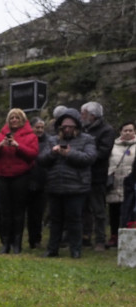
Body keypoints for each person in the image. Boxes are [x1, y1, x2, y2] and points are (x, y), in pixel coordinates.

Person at [39, 108, 96, 259]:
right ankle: (52, 249)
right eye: (64, 127)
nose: (67, 129)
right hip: (55, 186)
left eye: (70, 127)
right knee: (55, 220)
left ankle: (75, 250)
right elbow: (42, 160)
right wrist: (53, 152)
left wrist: (69, 153)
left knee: (74, 219)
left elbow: (89, 158)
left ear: (77, 127)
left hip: (76, 187)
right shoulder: (52, 140)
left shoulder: (87, 139)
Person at [0, 108, 39, 253]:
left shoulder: (30, 136)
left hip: (20, 177)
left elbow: (33, 154)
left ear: (22, 120)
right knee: (5, 212)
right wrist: (0, 145)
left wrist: (18, 146)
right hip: (3, 176)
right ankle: (6, 243)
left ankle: (17, 243)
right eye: (12, 118)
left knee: (18, 211)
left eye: (17, 118)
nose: (14, 120)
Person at [79, 101, 115, 251]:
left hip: (97, 176)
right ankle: (84, 237)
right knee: (82, 208)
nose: (81, 117)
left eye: (84, 114)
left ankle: (100, 239)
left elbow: (103, 152)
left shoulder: (106, 130)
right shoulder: (82, 130)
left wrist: (85, 157)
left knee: (98, 209)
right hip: (81, 175)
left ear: (92, 116)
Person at [106, 121, 136, 248]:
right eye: (125, 130)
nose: (128, 132)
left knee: (129, 211)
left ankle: (128, 235)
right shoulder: (113, 146)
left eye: (130, 130)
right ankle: (114, 235)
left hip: (131, 184)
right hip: (116, 182)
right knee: (114, 210)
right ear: (120, 132)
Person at [25, 117, 49, 249]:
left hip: (42, 180)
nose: (39, 130)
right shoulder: (26, 140)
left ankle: (36, 239)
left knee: (38, 212)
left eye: (41, 128)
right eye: (37, 127)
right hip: (27, 178)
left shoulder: (48, 141)